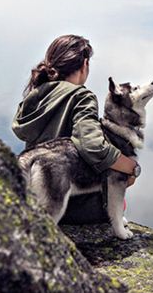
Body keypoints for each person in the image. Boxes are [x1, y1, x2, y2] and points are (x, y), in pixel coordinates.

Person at [11, 34, 139, 224]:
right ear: (84, 64)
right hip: (72, 206)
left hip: (36, 197)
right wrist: (131, 167)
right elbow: (93, 145)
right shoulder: (81, 96)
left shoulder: (35, 96)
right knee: (118, 198)